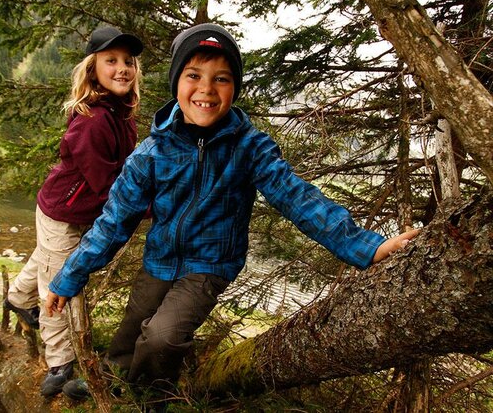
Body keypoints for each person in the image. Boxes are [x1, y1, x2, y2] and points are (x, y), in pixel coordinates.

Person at [45, 23, 419, 400]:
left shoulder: (250, 148)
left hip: (210, 265)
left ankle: (150, 400)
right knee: (131, 330)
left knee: (162, 337)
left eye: (221, 79)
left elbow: (299, 198)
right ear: (177, 82)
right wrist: (69, 276)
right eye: (193, 76)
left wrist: (366, 247)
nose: (206, 89)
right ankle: (112, 381)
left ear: (234, 88)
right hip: (159, 259)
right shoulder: (152, 153)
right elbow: (113, 223)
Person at [3, 25, 144, 397]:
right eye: (110, 61)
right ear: (92, 69)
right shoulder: (94, 122)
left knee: (46, 259)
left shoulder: (119, 114)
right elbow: (110, 188)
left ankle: (17, 297)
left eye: (128, 62)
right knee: (58, 282)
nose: (122, 68)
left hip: (71, 208)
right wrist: (151, 209)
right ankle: (59, 364)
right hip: (63, 212)